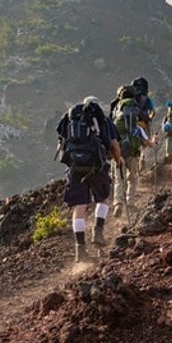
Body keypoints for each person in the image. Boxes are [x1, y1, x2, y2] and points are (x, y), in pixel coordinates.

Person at [56, 96, 123, 262]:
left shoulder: (70, 119)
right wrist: (118, 161)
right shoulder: (103, 121)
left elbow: (61, 144)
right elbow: (114, 146)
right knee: (103, 199)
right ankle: (98, 231)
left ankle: (80, 250)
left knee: (79, 207)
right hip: (96, 166)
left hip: (75, 168)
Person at [112, 117, 158, 217]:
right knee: (132, 179)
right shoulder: (137, 128)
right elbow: (149, 144)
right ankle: (130, 203)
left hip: (118, 156)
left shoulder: (114, 125)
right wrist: (154, 140)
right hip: (133, 156)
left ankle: (118, 204)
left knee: (119, 180)